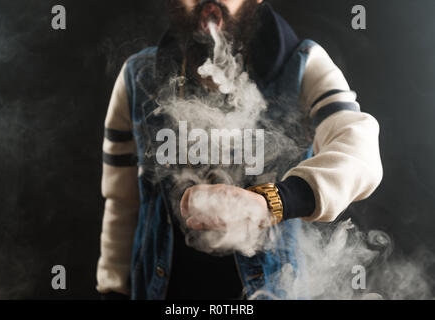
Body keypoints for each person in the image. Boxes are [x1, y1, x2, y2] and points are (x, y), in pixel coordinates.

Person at [96, 0, 383, 300]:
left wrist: (271, 202)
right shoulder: (136, 77)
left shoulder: (303, 64)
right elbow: (121, 201)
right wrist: (112, 289)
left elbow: (360, 150)